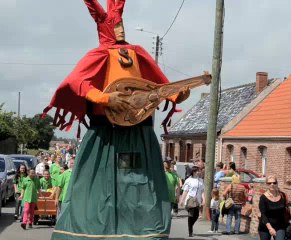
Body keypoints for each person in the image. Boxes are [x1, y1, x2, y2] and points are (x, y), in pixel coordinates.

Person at [43, 0, 190, 239]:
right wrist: (103, 98)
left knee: (142, 186)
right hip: (105, 134)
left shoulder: (137, 52)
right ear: (105, 28)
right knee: (98, 189)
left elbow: (157, 85)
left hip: (139, 130)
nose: (121, 29)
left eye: (122, 24)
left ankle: (144, 232)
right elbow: (75, 82)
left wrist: (176, 94)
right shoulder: (98, 54)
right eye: (115, 25)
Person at [258, 175, 291, 240]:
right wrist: (270, 228)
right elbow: (263, 215)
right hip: (265, 226)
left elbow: (285, 209)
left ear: (277, 184)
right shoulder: (263, 198)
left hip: (280, 226)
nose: (272, 184)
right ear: (266, 184)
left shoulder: (282, 195)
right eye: (269, 183)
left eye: (274, 183)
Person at [179, 166, 204, 237]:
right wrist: (182, 200)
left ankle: (190, 226)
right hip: (190, 199)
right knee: (191, 215)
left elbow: (202, 191)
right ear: (194, 172)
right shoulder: (188, 180)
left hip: (197, 200)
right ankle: (190, 231)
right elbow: (185, 191)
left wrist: (203, 199)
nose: (199, 172)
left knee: (196, 216)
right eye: (198, 171)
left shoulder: (201, 180)